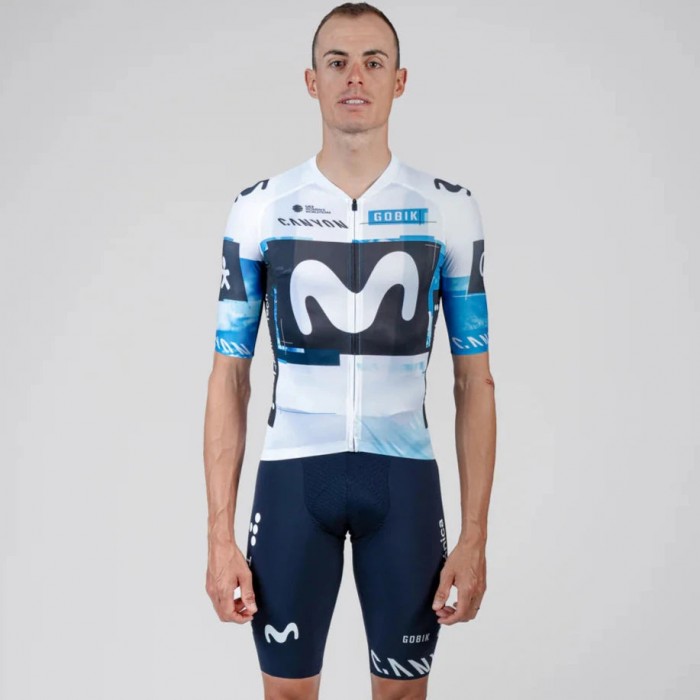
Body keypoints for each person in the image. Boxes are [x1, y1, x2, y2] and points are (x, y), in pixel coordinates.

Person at [203, 3, 497, 698]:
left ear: (400, 80)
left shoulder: (449, 209)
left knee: (402, 694)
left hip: (403, 480)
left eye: (373, 62)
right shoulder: (260, 208)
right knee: (287, 694)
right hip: (292, 476)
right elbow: (228, 377)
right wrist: (218, 536)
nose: (355, 77)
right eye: (337, 62)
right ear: (312, 81)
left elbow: (474, 383)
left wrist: (475, 537)